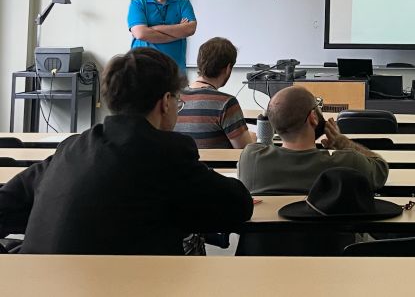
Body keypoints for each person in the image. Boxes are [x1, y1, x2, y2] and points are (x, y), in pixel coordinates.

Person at [0, 48, 253, 254]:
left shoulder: (72, 148)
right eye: (178, 101)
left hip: (36, 286)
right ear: (165, 102)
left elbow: (6, 203)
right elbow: (238, 206)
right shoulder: (166, 154)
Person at [238, 85, 388, 194]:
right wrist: (343, 142)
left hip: (268, 238)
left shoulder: (251, 159)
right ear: (313, 117)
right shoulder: (349, 162)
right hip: (329, 238)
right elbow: (380, 169)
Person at [175, 36, 255, 149]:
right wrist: (253, 138)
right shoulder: (226, 103)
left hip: (178, 166)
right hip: (216, 167)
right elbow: (245, 150)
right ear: (228, 68)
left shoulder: (174, 98)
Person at [128, 0, 197, 71]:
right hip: (142, 71)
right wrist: (178, 32)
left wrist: (154, 28)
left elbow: (190, 29)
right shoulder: (138, 4)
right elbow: (141, 33)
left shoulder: (183, 3)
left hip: (175, 73)